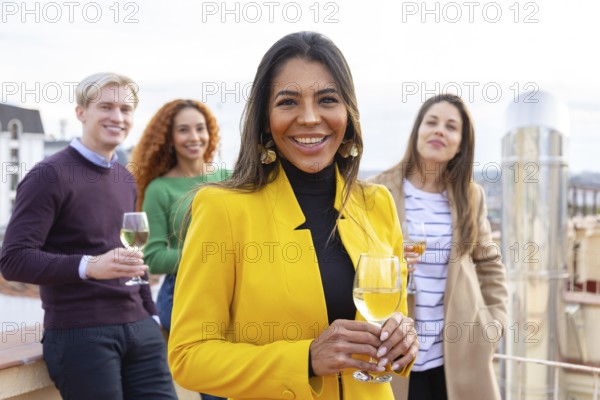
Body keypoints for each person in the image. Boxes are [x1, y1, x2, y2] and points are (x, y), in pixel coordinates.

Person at [167, 31, 419, 400]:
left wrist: (404, 338)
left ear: (347, 113)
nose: (310, 117)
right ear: (265, 119)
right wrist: (305, 360)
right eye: (288, 102)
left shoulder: (378, 204)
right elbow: (188, 357)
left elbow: (393, 317)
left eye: (327, 99)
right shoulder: (220, 208)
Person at [0, 73, 177, 400]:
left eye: (125, 109)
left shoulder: (125, 178)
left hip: (141, 330)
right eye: (106, 106)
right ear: (81, 112)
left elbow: (132, 257)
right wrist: (89, 266)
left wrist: (150, 314)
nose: (117, 117)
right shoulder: (48, 175)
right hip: (81, 334)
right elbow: (13, 260)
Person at [369, 94, 508, 400]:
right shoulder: (377, 192)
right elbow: (358, 262)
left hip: (458, 357)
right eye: (431, 122)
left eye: (451, 126)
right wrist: (391, 260)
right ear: (417, 131)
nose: (439, 131)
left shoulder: (471, 196)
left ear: (461, 143)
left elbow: (489, 265)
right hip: (394, 353)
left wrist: (494, 323)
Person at [130, 99, 228, 400]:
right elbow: (153, 256)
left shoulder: (228, 178)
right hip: (184, 294)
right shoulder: (160, 189)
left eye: (200, 128)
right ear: (169, 138)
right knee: (217, 387)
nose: (194, 137)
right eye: (183, 130)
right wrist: (210, 255)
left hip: (233, 289)